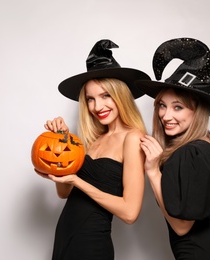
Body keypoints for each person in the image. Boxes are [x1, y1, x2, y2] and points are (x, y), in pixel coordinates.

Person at [35, 39, 151, 260]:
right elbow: (64, 193)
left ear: (120, 96)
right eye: (90, 99)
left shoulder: (133, 138)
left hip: (91, 244)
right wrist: (61, 147)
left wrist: (78, 181)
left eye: (106, 95)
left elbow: (130, 212)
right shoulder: (93, 140)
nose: (98, 107)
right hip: (65, 239)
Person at [136, 38, 210, 260]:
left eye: (178, 107)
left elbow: (182, 227)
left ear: (196, 112)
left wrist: (153, 172)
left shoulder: (192, 152)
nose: (166, 115)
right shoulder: (200, 146)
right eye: (162, 105)